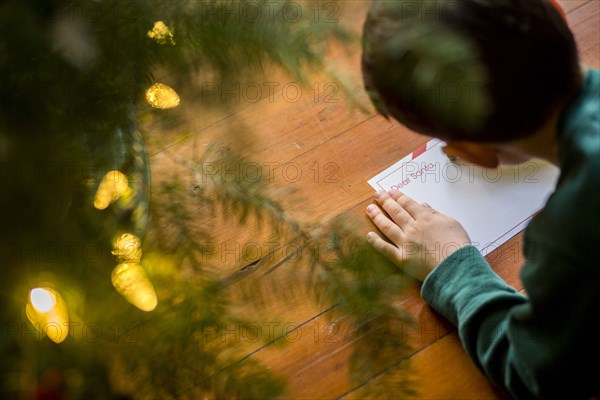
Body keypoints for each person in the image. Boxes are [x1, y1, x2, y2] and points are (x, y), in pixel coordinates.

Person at [361, 0, 600, 398]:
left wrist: (453, 267)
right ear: (558, 13)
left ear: (470, 154)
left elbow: (537, 375)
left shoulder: (572, 229)